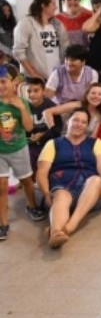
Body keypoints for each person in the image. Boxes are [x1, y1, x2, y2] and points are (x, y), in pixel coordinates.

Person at [36, 108, 101, 249]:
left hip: (91, 194)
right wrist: (46, 193)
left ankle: (69, 227)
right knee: (61, 195)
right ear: (68, 121)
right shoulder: (53, 144)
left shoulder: (95, 143)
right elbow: (42, 172)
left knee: (96, 180)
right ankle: (56, 233)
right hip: (61, 185)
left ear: (87, 126)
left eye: (84, 122)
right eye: (75, 120)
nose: (79, 124)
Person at [0, 65, 47, 241]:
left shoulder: (23, 103)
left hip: (19, 149)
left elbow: (28, 128)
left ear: (15, 83)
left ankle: (31, 205)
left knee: (27, 181)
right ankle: (3, 223)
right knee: (1, 185)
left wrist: (20, 108)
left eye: (4, 81)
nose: (1, 86)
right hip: (0, 152)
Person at [13, 0, 70, 80]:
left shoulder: (57, 24)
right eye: (53, 4)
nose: (56, 7)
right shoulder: (26, 23)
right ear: (43, 5)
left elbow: (65, 48)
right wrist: (34, 75)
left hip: (56, 76)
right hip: (34, 78)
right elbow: (18, 52)